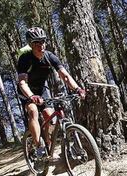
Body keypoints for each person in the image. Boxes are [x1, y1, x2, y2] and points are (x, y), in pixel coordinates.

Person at [17, 27, 85, 159]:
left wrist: (77, 89)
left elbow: (65, 76)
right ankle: (39, 147)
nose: (41, 45)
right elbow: (22, 82)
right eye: (37, 42)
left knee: (49, 115)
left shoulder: (50, 56)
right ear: (30, 44)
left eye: (43, 41)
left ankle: (48, 143)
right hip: (27, 91)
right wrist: (31, 96)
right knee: (33, 111)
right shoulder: (25, 59)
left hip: (42, 89)